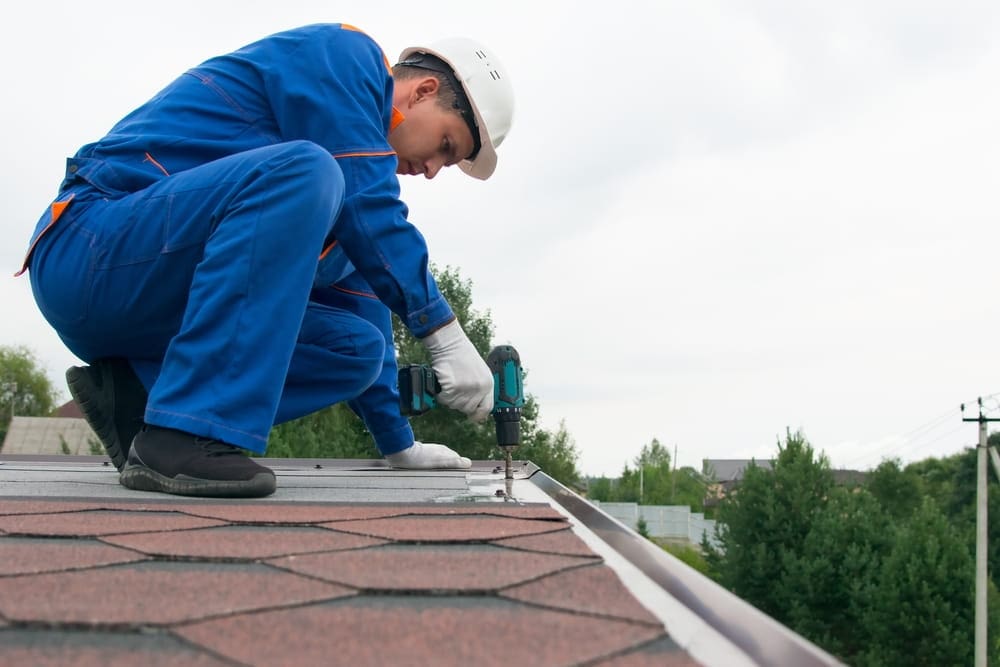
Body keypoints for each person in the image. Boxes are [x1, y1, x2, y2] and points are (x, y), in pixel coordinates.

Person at [17, 23, 515, 499]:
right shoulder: (344, 57)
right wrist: (443, 333)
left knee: (357, 350)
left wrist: (399, 445)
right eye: (445, 147)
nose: (431, 170)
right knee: (307, 170)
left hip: (147, 310)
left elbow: (371, 309)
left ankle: (138, 399)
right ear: (424, 90)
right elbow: (369, 207)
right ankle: (181, 436)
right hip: (88, 250)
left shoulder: (348, 205)